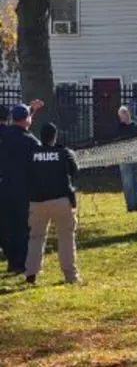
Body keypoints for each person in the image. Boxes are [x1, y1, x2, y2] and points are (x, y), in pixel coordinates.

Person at [25, 122, 80, 285]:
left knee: (36, 237)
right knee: (66, 237)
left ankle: (31, 272)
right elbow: (75, 169)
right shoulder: (63, 152)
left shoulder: (31, 153)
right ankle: (70, 275)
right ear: (55, 136)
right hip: (62, 200)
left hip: (37, 201)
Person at [0, 99, 45, 274]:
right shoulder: (31, 142)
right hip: (23, 189)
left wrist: (30, 110)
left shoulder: (5, 134)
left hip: (4, 186)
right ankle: (21, 261)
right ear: (27, 119)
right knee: (23, 226)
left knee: (6, 224)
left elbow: (16, 125)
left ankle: (12, 260)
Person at [117, 106, 137, 212]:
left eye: (125, 113)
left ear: (128, 114)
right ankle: (130, 205)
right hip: (125, 158)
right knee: (128, 183)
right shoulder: (119, 128)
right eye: (121, 115)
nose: (124, 116)